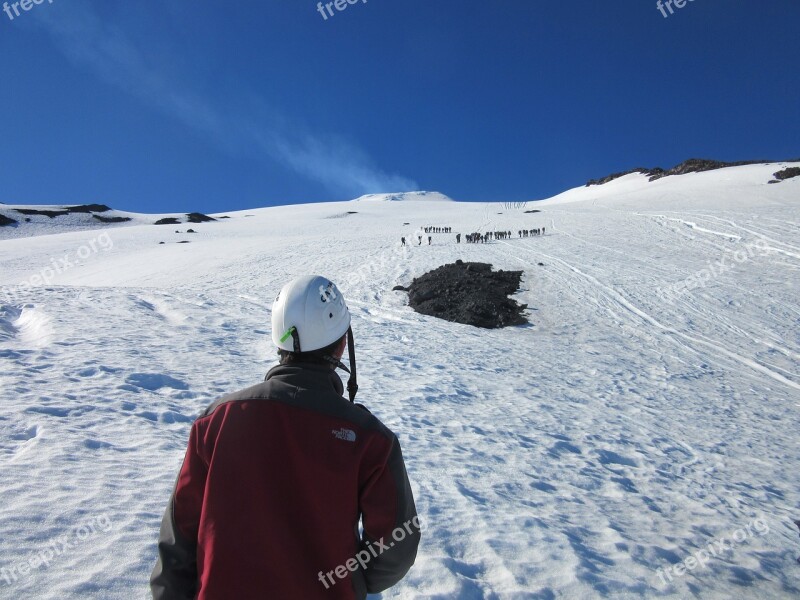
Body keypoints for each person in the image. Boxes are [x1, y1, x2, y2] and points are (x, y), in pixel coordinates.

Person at [150, 275, 420, 599]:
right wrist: (351, 581)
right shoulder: (371, 440)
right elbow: (395, 547)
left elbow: (178, 540)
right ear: (342, 344)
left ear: (278, 341)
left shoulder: (216, 421)